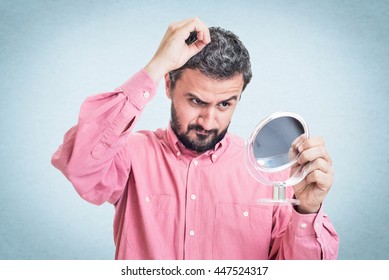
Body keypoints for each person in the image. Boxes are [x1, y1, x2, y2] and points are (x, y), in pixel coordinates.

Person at [51, 17, 339, 260]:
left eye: (225, 104)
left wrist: (307, 210)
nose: (208, 121)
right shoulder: (131, 154)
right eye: (196, 101)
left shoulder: (269, 175)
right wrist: (156, 65)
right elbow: (79, 163)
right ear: (168, 86)